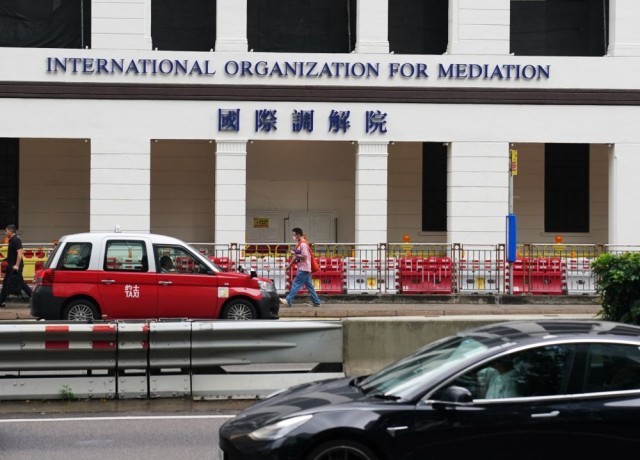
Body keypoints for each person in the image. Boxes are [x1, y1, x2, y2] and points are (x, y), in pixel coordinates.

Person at [281, 227, 321, 308]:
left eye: (294, 235)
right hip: (305, 268)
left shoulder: (303, 244)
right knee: (309, 286)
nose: (293, 236)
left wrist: (294, 253)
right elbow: (296, 256)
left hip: (304, 268)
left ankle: (288, 299)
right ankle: (317, 301)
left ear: (298, 235)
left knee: (296, 284)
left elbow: (304, 256)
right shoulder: (300, 244)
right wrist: (289, 265)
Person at [0, 224, 32, 306]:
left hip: (15, 266)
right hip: (11, 266)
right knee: (7, 282)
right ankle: (1, 301)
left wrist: (17, 265)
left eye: (6, 231)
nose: (5, 233)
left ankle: (35, 298)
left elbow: (19, 253)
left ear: (10, 231)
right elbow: (12, 254)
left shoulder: (16, 240)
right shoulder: (12, 240)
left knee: (20, 283)